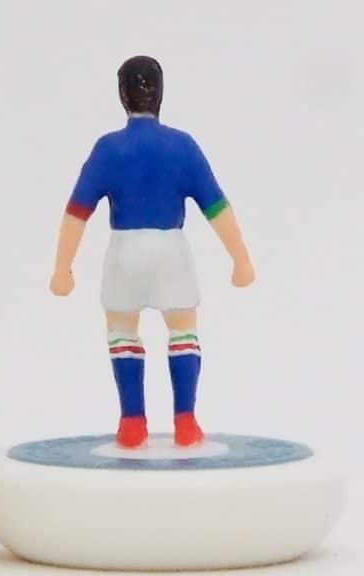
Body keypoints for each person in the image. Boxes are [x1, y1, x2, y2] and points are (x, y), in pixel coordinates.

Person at [50, 55, 254, 448]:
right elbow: (217, 207)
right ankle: (185, 420)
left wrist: (63, 268)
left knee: (122, 330)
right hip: (170, 251)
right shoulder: (182, 146)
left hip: (124, 252)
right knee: (183, 329)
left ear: (122, 94)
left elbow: (76, 212)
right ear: (161, 93)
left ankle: (131, 422)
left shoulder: (108, 149)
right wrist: (240, 259)